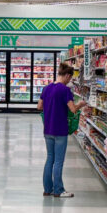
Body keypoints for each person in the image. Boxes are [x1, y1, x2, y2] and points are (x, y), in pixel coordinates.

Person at [37, 62, 87, 198]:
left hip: (47, 129)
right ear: (67, 75)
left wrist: (51, 108)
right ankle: (58, 190)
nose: (69, 81)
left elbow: (39, 107)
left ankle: (47, 189)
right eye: (70, 78)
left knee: (50, 159)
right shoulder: (65, 90)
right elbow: (73, 109)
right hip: (60, 130)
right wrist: (80, 104)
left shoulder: (46, 88)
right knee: (58, 161)